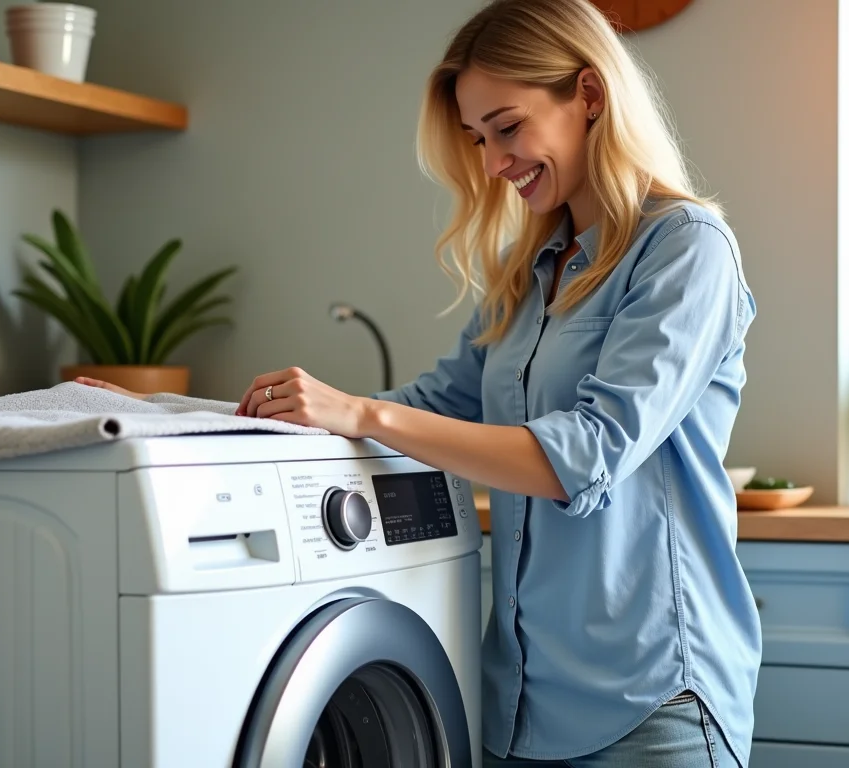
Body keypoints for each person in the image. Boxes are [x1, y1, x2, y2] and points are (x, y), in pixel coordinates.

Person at [77, 0, 761, 765]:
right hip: (522, 704)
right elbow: (438, 404)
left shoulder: (685, 250)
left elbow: (582, 455)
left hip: (651, 698)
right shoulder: (525, 274)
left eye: (507, 127)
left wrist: (362, 413)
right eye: (478, 138)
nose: (495, 162)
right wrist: (191, 419)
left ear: (590, 97)